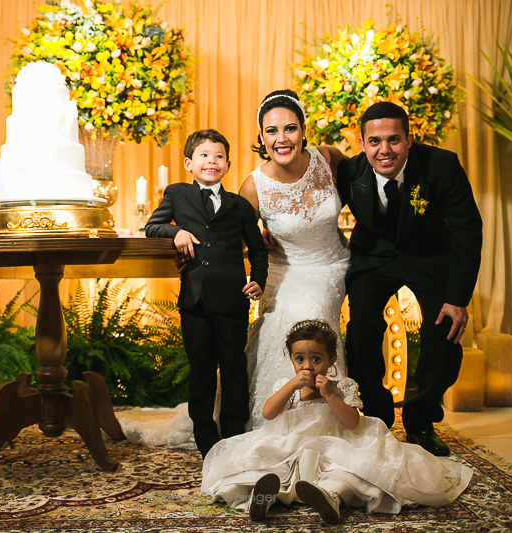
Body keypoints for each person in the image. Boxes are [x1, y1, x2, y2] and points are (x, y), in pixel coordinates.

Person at [201, 320, 473, 524]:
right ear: (292, 359)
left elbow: (353, 423)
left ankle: (329, 499)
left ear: (331, 359)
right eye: (300, 359)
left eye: (316, 359)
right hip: (290, 446)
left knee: (344, 475)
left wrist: (329, 394)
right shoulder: (289, 386)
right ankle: (259, 499)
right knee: (263, 466)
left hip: (336, 445)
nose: (308, 366)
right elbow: (268, 414)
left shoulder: (341, 386)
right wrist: (290, 387)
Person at [337, 101, 483, 456]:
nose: (384, 150)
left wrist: (458, 297)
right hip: (373, 256)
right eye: (374, 141)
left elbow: (468, 230)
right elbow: (317, 211)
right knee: (361, 330)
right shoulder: (349, 172)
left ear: (409, 139)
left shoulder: (442, 166)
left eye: (394, 140)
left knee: (443, 330)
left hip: (429, 256)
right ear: (361, 143)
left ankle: (420, 418)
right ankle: (377, 417)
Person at [145, 128, 269, 458]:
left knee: (233, 368)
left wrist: (258, 279)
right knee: (200, 369)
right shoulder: (177, 194)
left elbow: (258, 250)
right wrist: (177, 232)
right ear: (189, 163)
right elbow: (151, 226)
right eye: (203, 155)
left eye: (218, 156)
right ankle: (205, 437)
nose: (211, 161)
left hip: (232, 300)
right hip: (195, 301)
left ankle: (233, 432)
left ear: (227, 165)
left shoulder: (240, 206)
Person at [238, 89, 350, 431]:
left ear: (303, 131)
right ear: (261, 137)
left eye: (290, 128)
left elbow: (361, 193)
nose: (281, 139)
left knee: (313, 314)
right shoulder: (253, 186)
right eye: (271, 131)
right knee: (287, 324)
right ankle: (282, 421)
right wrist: (257, 240)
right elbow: (238, 239)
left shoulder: (329, 159)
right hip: (284, 271)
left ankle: (326, 416)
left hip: (332, 265)